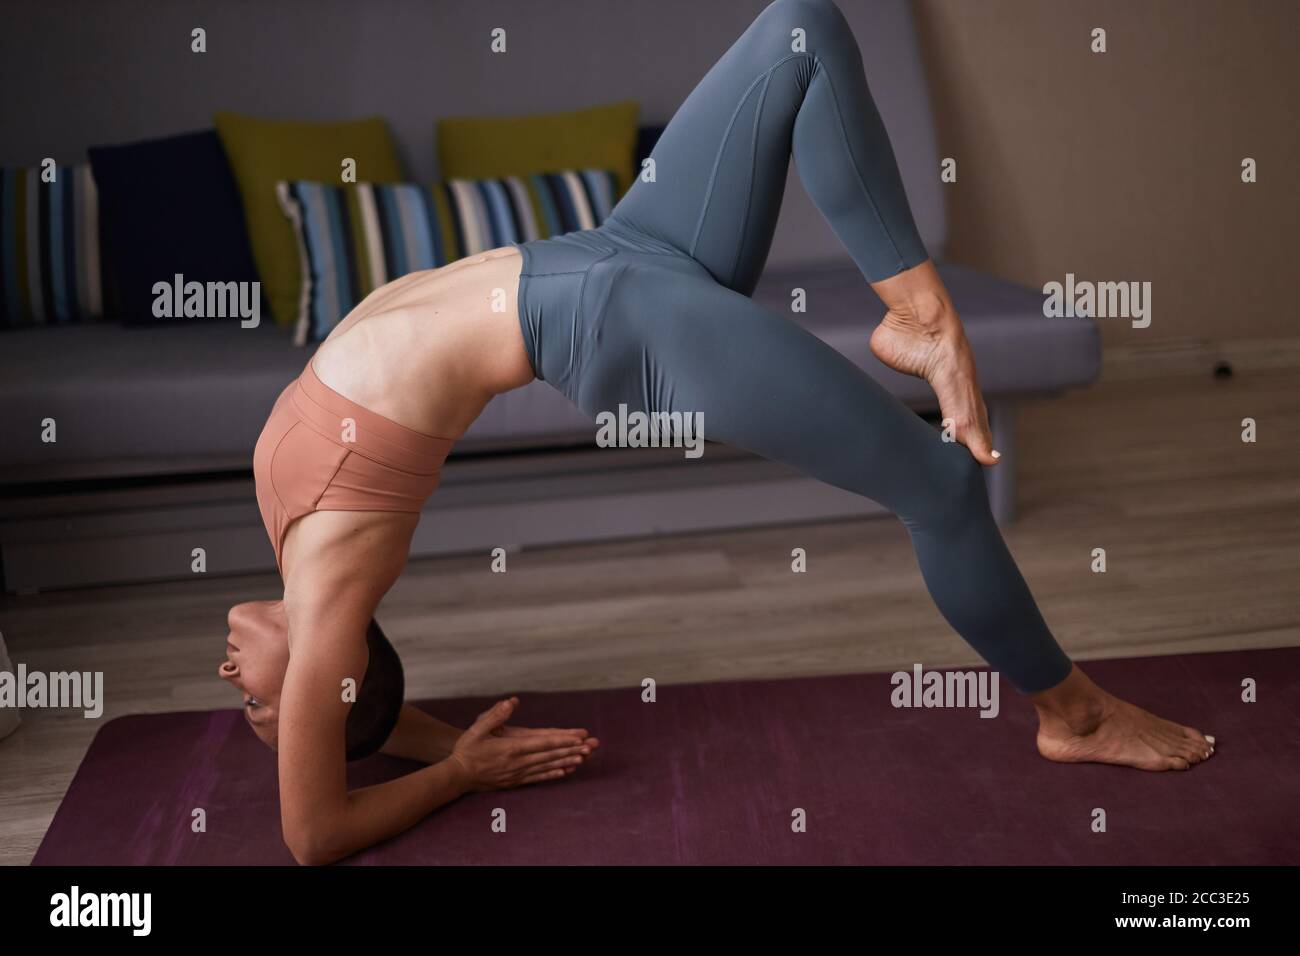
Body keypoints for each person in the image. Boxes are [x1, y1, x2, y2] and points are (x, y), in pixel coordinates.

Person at [219, 0, 1214, 866]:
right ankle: (1070, 712)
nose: (240, 688)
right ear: (334, 671)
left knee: (802, 26)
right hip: (621, 326)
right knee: (941, 485)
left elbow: (363, 722)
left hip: (620, 248)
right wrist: (461, 771)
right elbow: (313, 833)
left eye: (263, 709)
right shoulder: (336, 590)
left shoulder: (289, 523)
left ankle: (918, 315)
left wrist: (430, 741)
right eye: (267, 708)